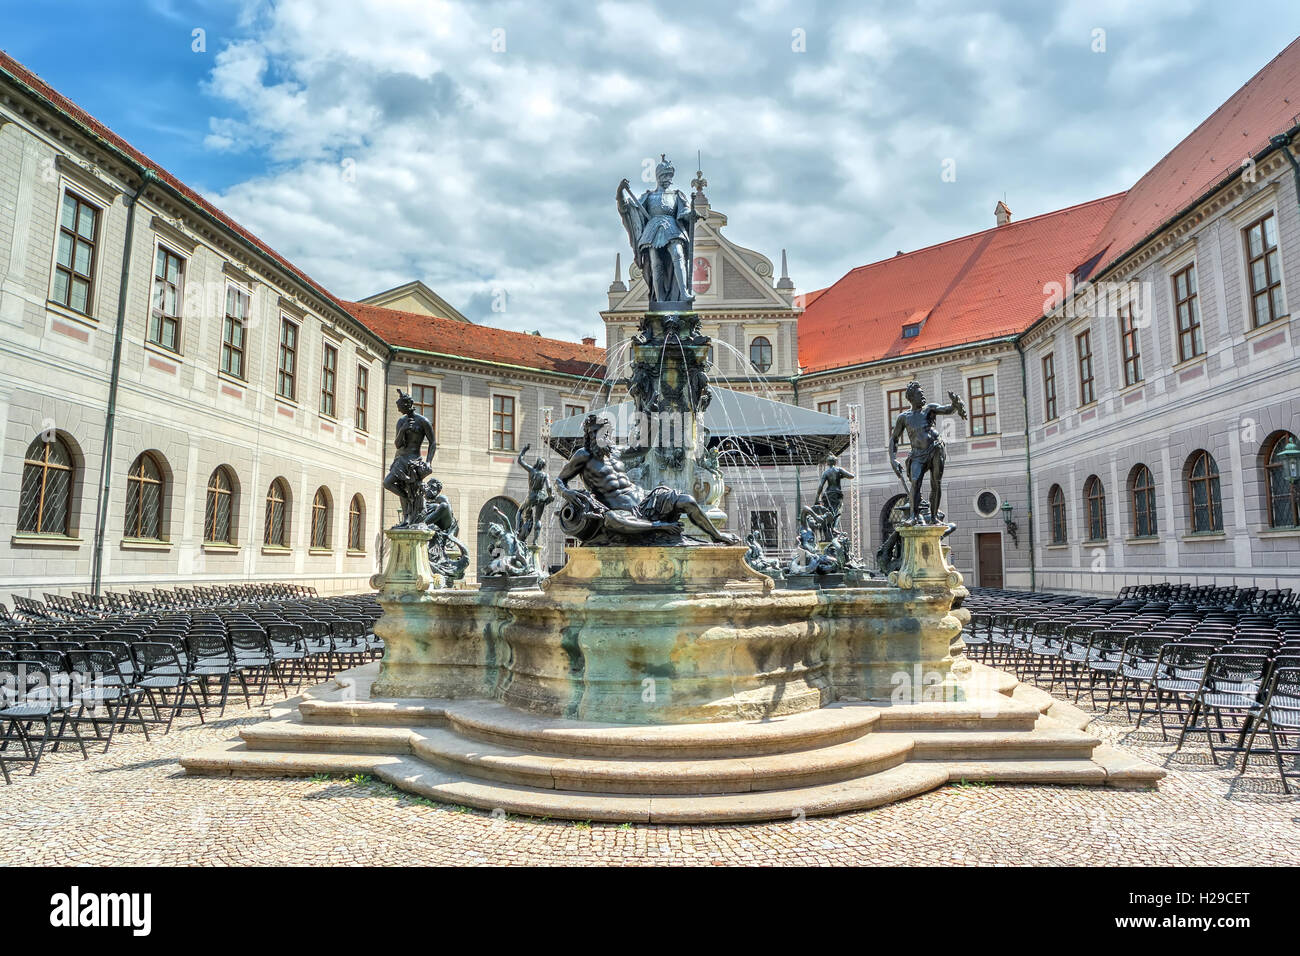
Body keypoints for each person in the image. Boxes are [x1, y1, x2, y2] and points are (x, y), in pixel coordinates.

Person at [556, 414, 738, 545]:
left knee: (687, 500)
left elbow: (641, 449)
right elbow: (560, 480)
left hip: (646, 499)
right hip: (622, 511)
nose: (602, 436)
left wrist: (652, 422)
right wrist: (566, 492)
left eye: (605, 432)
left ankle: (717, 536)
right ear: (590, 434)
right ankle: (658, 526)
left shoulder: (615, 452)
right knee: (611, 519)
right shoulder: (583, 456)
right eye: (597, 432)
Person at [616, 155, 705, 306]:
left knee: (677, 255)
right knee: (656, 264)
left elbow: (683, 211)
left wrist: (690, 214)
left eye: (669, 176)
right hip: (652, 230)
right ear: (658, 177)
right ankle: (661, 300)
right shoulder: (649, 196)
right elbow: (629, 209)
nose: (667, 179)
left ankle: (684, 292)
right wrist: (620, 192)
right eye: (664, 175)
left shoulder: (677, 195)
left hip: (672, 227)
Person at [889, 381, 967, 525]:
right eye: (919, 394)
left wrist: (956, 404)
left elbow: (947, 410)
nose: (923, 396)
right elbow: (894, 439)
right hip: (918, 454)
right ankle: (913, 516)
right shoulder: (904, 417)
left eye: (923, 393)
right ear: (912, 397)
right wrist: (893, 459)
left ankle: (933, 516)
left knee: (936, 483)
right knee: (915, 482)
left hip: (936, 449)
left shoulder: (929, 409)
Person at [383, 390, 436, 527]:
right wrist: (403, 429)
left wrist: (428, 461)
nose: (398, 409)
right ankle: (408, 501)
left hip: (414, 460)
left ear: (407, 405)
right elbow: (397, 444)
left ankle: (408, 517)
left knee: (409, 486)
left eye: (400, 406)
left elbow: (433, 442)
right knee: (387, 483)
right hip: (401, 459)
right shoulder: (401, 421)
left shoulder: (423, 421)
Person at [514, 444, 553, 546]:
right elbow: (549, 487)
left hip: (531, 496)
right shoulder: (545, 475)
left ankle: (517, 530)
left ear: (537, 463)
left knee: (520, 511)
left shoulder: (531, 470)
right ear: (543, 466)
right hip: (541, 496)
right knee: (538, 519)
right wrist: (550, 496)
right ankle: (535, 541)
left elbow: (520, 460)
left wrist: (524, 450)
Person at [815, 454, 855, 537]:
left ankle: (828, 531)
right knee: (838, 512)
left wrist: (817, 497)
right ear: (835, 462)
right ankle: (834, 528)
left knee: (829, 512)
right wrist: (841, 476)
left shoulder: (825, 473)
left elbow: (821, 486)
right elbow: (851, 476)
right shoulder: (838, 469)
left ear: (827, 463)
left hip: (827, 495)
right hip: (836, 494)